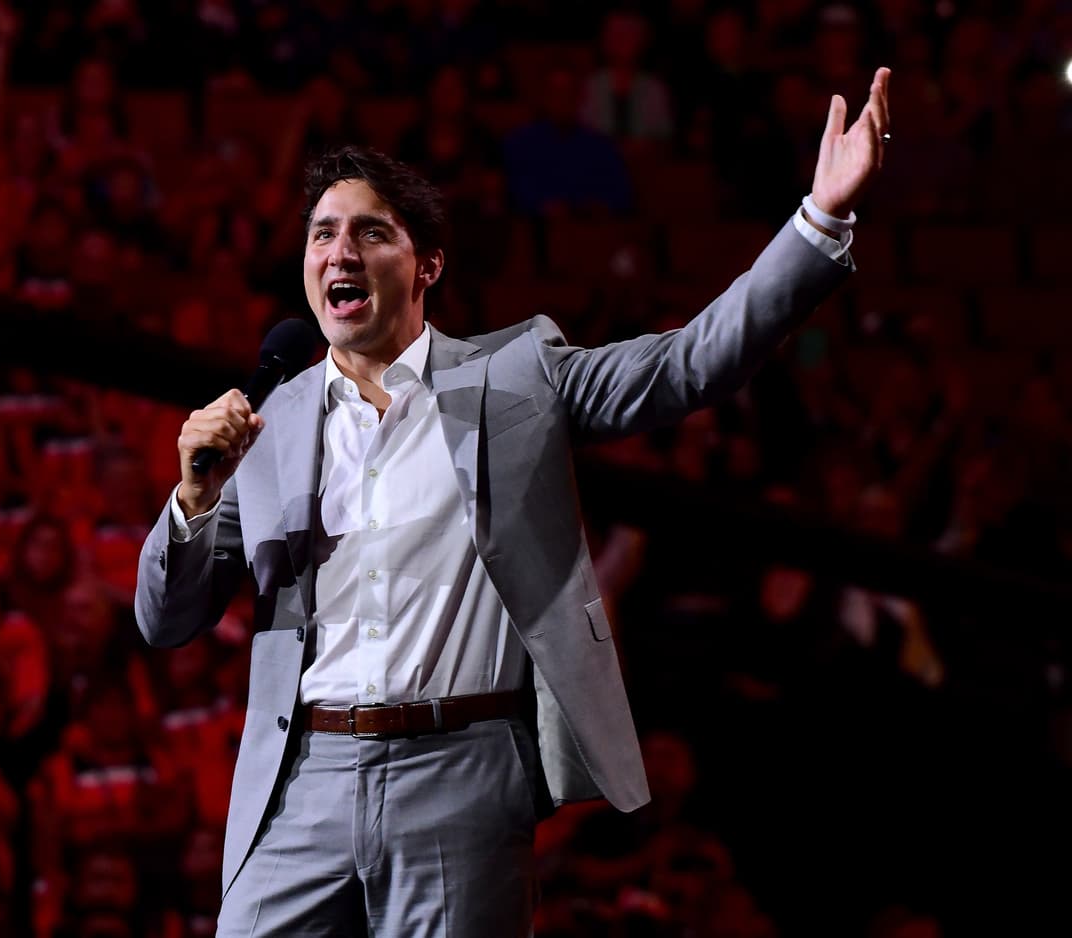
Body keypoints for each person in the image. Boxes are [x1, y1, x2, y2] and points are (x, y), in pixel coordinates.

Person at [134, 67, 892, 937]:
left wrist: (820, 219)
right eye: (321, 235)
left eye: (368, 233)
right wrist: (193, 494)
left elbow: (689, 365)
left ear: (427, 264)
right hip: (302, 778)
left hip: (460, 774)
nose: (338, 252)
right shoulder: (269, 427)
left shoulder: (517, 377)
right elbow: (165, 618)